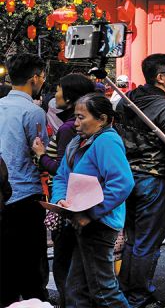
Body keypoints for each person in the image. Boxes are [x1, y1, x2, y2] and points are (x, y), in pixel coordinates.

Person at [117, 53, 165, 308]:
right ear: (160, 77)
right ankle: (139, 296)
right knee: (147, 242)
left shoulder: (126, 101)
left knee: (133, 239)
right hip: (155, 179)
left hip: (128, 178)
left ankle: (126, 291)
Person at [51, 93, 134, 307]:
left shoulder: (107, 141)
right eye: (75, 117)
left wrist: (90, 213)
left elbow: (122, 183)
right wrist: (60, 200)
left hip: (99, 225)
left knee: (103, 291)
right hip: (82, 221)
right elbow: (61, 176)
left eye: (81, 117)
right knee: (76, 289)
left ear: (102, 119)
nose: (76, 123)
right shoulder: (77, 142)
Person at [31, 73, 96, 307]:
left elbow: (63, 169)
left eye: (58, 89)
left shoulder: (69, 128)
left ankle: (69, 301)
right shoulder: (75, 126)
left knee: (63, 259)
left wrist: (41, 156)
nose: (55, 94)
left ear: (69, 97)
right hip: (73, 200)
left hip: (69, 203)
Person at [0, 53, 49, 306]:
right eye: (43, 77)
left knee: (6, 260)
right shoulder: (33, 111)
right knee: (31, 260)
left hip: (3, 194)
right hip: (24, 192)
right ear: (35, 78)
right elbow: (40, 151)